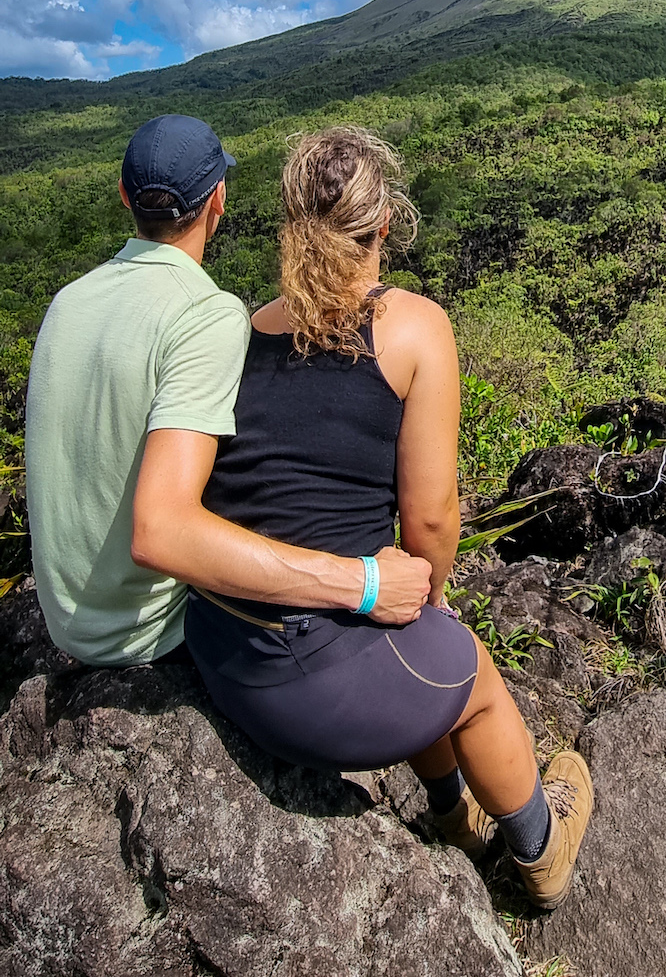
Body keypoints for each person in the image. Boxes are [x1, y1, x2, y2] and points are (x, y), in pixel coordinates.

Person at [182, 126, 593, 909]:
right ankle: (541, 853)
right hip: (307, 678)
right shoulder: (410, 327)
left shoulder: (241, 332)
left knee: (412, 641)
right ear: (382, 227)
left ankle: (454, 818)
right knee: (469, 672)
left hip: (224, 646)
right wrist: (429, 591)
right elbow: (432, 521)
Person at [26, 113, 431, 670]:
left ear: (124, 195)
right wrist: (363, 583)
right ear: (219, 199)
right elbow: (162, 531)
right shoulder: (206, 313)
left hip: (65, 622)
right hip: (156, 635)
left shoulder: (66, 302)